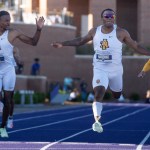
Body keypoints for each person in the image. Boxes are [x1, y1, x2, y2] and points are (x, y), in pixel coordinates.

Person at [51, 8, 150, 133]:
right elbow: (81, 40)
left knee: (117, 95)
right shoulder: (94, 31)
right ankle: (97, 121)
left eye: (111, 16)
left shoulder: (121, 33)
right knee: (98, 93)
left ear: (114, 18)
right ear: (102, 18)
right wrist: (63, 44)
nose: (109, 18)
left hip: (116, 71)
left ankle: (116, 93)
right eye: (107, 16)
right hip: (100, 68)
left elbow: (136, 47)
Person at [0, 10, 45, 138]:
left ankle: (2, 127)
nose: (9, 22)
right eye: (6, 20)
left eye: (10, 20)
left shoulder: (14, 33)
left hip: (8, 69)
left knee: (8, 99)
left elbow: (33, 42)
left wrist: (39, 29)